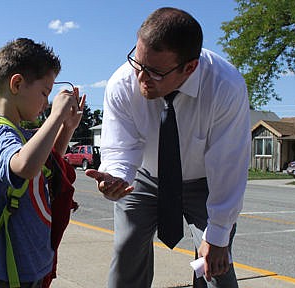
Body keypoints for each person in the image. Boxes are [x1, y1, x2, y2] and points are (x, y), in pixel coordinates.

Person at [85, 7, 250, 288]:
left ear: (189, 67)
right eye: (138, 63)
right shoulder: (122, 83)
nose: (140, 78)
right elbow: (121, 148)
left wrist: (219, 235)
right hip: (143, 178)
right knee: (126, 256)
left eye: (155, 72)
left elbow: (228, 165)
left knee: (216, 270)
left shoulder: (226, 86)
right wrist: (115, 175)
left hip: (207, 182)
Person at [0, 38, 85, 288]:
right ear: (17, 84)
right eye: (45, 92)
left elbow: (45, 165)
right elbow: (24, 168)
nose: (46, 103)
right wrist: (56, 116)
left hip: (32, 264)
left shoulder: (17, 133)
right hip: (13, 272)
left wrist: (66, 127)